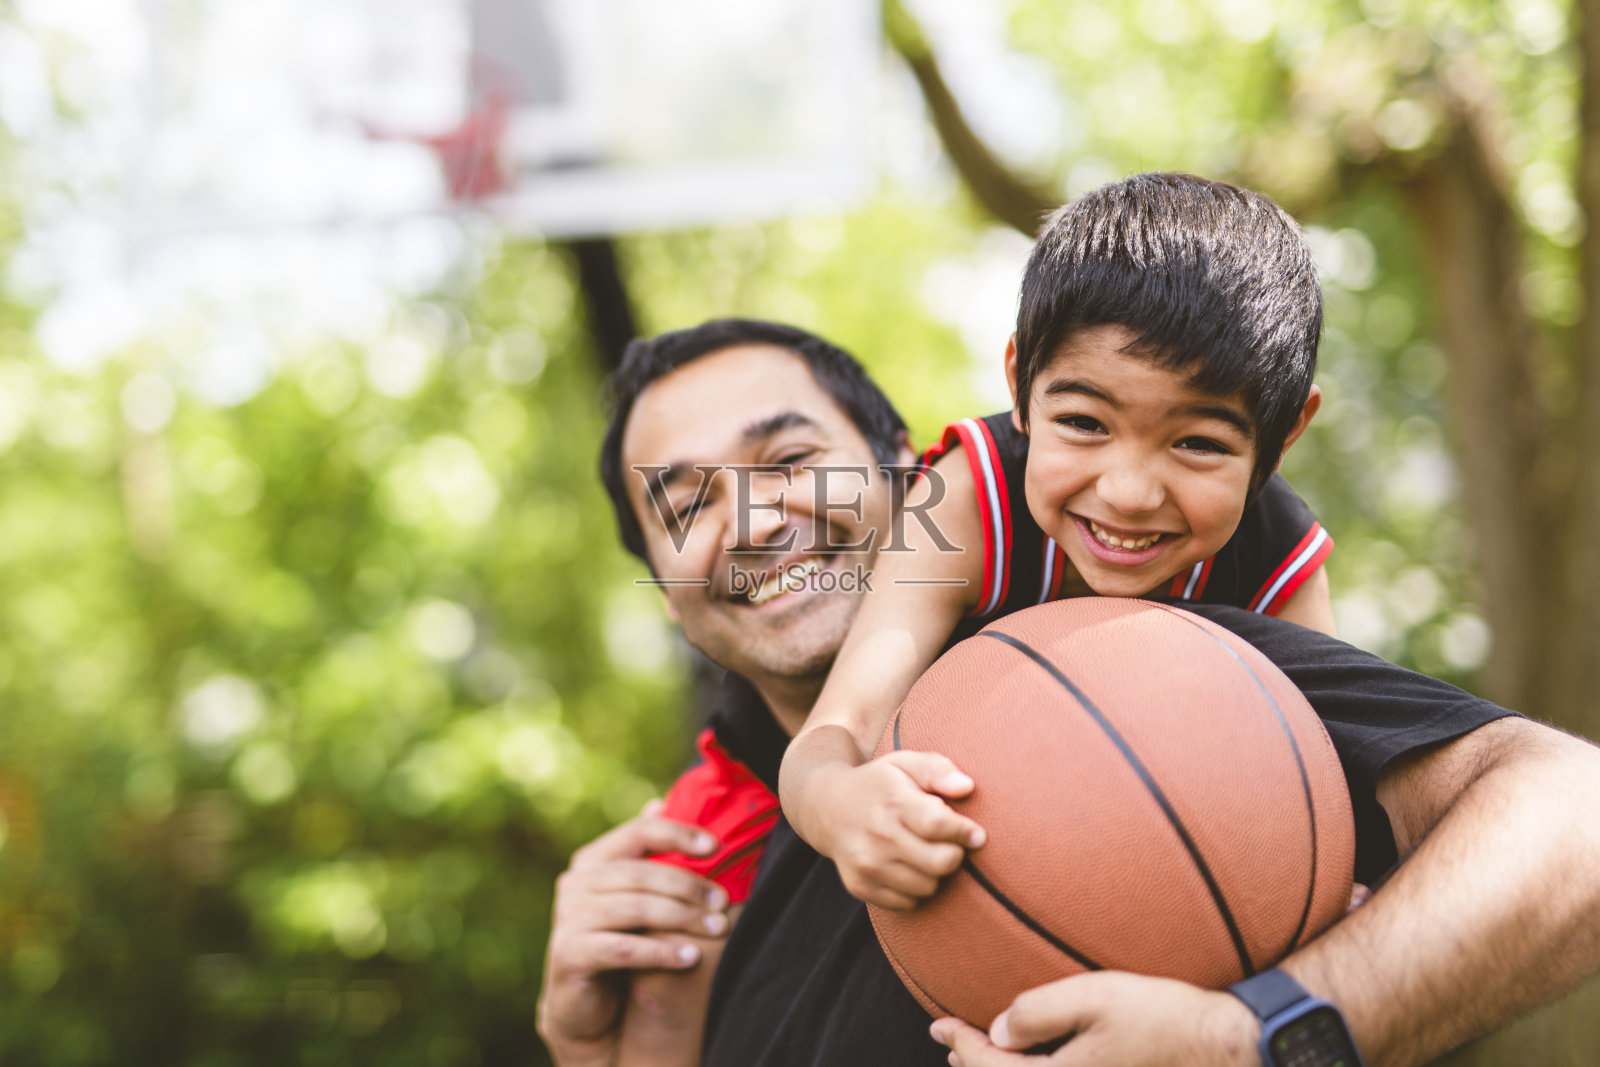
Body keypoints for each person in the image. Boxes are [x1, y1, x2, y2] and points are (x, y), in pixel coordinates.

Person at [538, 318, 1600, 1067]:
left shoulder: (1127, 654)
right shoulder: (701, 845)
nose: (758, 517)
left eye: (791, 456)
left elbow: (1577, 820)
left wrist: (1256, 1037)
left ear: (912, 474)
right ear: (663, 582)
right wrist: (595, 1045)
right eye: (685, 501)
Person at [780, 173, 1336, 910]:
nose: (1129, 491)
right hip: (959, 880)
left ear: (1285, 431)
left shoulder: (1275, 553)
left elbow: (1336, 766)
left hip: (1151, 896)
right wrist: (841, 807)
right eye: (1084, 423)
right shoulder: (968, 499)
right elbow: (831, 735)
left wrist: (1338, 878)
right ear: (1021, 385)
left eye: (1197, 441)